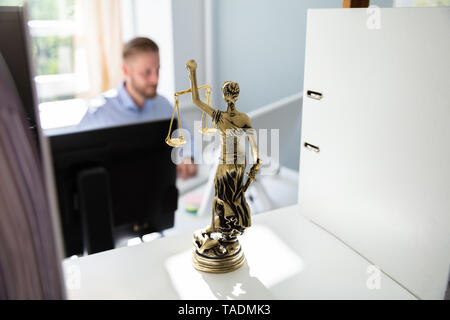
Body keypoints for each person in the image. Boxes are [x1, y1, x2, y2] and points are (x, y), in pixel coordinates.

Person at [77, 37, 197, 180]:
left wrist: (188, 157)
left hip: (159, 188)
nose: (155, 79)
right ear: (126, 71)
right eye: (146, 73)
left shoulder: (163, 105)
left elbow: (188, 138)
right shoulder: (100, 112)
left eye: (157, 70)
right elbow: (78, 162)